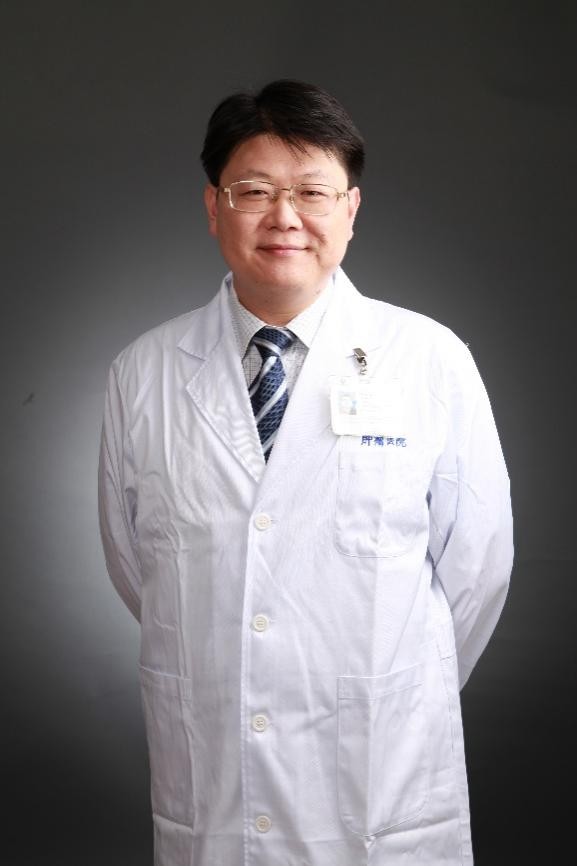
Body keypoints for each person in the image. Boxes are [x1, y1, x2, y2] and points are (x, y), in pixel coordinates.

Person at [98, 79, 513, 866]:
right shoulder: (143, 373)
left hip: (377, 781)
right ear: (213, 205)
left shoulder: (429, 360)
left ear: (349, 209)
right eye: (254, 191)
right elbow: (136, 567)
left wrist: (385, 684)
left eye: (312, 192)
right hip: (219, 785)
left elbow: (477, 570)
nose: (284, 217)